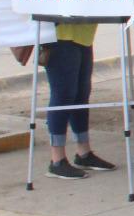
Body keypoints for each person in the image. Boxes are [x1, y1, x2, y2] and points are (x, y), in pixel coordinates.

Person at [41, 22, 116, 179]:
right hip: (61, 34)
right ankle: (57, 160)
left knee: (81, 95)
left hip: (83, 34)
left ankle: (83, 153)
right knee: (63, 95)